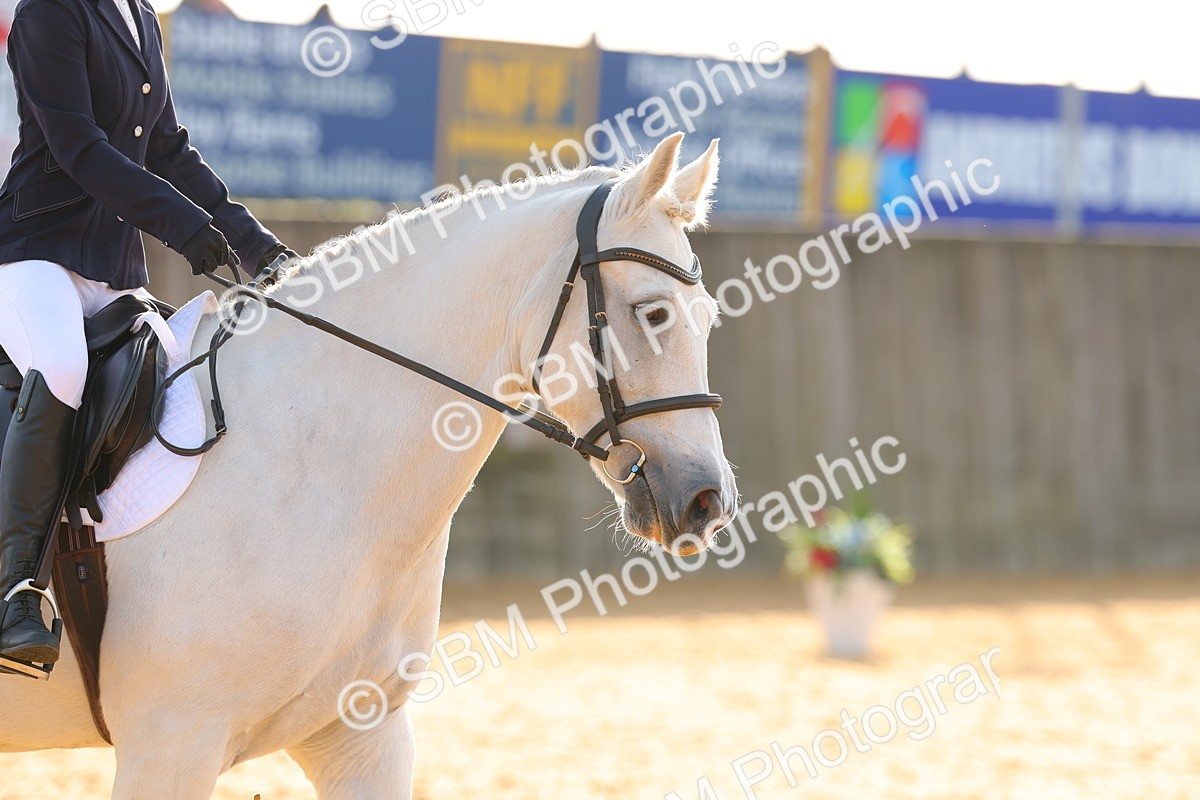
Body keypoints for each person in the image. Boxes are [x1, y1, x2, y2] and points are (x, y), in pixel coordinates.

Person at [0, 0, 294, 665]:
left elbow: (166, 148)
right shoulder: (50, 11)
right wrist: (182, 226)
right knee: (63, 366)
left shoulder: (136, 13)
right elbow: (78, 148)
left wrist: (259, 249)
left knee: (185, 371)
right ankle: (14, 592)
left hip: (112, 266)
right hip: (32, 255)